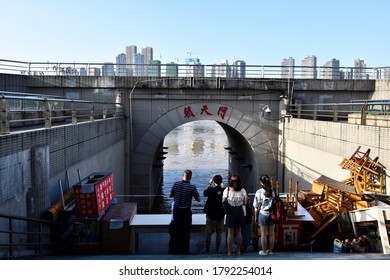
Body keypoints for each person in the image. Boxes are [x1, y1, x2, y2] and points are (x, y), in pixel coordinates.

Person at [169, 169, 201, 254]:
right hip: (186, 211)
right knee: (186, 230)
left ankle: (175, 250)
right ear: (190, 177)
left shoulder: (176, 184)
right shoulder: (192, 187)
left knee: (176, 229)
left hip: (177, 210)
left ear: (182, 176)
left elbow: (170, 195)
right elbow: (198, 199)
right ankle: (184, 250)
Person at [222, 174, 248, 256]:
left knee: (230, 233)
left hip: (230, 212)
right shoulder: (242, 190)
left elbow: (223, 200)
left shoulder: (227, 190)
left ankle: (229, 251)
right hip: (239, 211)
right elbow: (245, 203)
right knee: (238, 232)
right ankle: (238, 251)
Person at [253, 175, 276, 256]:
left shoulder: (259, 192)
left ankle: (264, 251)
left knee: (263, 233)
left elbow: (256, 206)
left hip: (263, 213)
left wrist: (256, 216)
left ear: (261, 182)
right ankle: (270, 251)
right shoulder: (273, 190)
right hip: (272, 213)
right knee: (271, 233)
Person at [203, 175, 225, 253]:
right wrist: (223, 186)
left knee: (208, 233)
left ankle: (207, 249)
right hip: (220, 214)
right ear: (221, 181)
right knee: (219, 234)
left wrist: (209, 184)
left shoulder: (211, 189)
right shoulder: (224, 190)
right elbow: (226, 195)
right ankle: (218, 249)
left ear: (214, 182)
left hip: (211, 214)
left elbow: (204, 193)